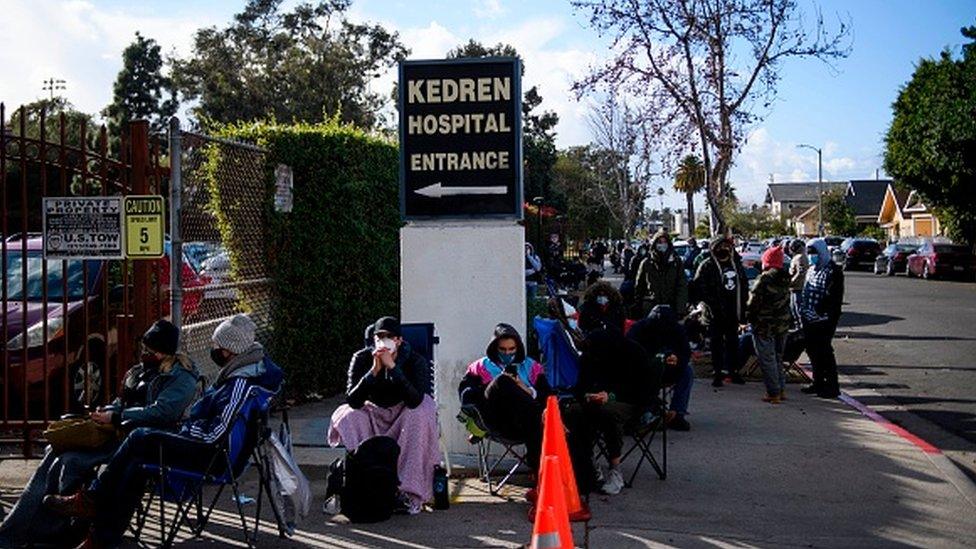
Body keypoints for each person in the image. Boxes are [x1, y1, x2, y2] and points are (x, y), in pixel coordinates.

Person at [43, 314, 283, 548]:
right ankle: (100, 538)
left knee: (140, 437)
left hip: (213, 455)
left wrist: (185, 432)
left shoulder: (240, 384)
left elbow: (217, 434)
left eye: (216, 345)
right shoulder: (236, 376)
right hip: (204, 445)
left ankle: (93, 500)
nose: (213, 349)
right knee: (137, 465)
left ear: (228, 351)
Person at [0, 320, 198, 548]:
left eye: (151, 350)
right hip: (114, 432)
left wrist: (118, 415)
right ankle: (15, 531)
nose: (145, 353)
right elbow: (121, 400)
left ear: (164, 351)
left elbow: (162, 412)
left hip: (137, 439)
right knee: (55, 454)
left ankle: (60, 530)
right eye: (145, 348)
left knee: (71, 461)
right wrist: (108, 411)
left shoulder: (182, 377)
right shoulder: (140, 371)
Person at [328, 316, 438, 515]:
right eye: (379, 337)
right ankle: (369, 478)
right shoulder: (361, 358)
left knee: (421, 413)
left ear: (398, 340)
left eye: (389, 337)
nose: (383, 340)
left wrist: (394, 369)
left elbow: (415, 399)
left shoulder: (414, 360)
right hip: (373, 413)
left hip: (404, 412)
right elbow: (352, 401)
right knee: (348, 416)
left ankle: (407, 490)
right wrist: (373, 372)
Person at [573, 328, 656, 495]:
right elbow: (580, 385)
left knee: (608, 413)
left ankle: (615, 468)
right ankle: (587, 464)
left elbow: (643, 389)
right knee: (573, 411)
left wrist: (611, 395)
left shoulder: (633, 353)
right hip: (595, 402)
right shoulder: (590, 355)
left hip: (630, 402)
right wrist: (587, 395)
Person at [458, 324, 551, 469]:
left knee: (557, 415)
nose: (507, 353)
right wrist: (492, 386)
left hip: (524, 422)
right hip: (494, 420)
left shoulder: (531, 367)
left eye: (511, 349)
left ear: (518, 348)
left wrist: (526, 389)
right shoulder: (480, 367)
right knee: (503, 381)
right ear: (494, 348)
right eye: (502, 349)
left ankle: (543, 475)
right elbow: (466, 396)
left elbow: (547, 396)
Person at [626, 305, 694, 431]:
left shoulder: (676, 330)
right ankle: (649, 411)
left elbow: (685, 352)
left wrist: (677, 358)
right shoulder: (639, 329)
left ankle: (677, 413)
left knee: (687, 371)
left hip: (669, 368)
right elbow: (629, 352)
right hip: (644, 370)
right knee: (648, 373)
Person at [694, 236, 748, 387]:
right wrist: (711, 306)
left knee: (733, 344)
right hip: (714, 314)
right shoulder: (707, 266)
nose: (724, 249)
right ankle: (717, 373)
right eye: (720, 246)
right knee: (716, 345)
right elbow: (698, 289)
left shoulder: (736, 265)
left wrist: (743, 311)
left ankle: (733, 372)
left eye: (727, 246)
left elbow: (743, 288)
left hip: (733, 312)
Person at [799, 239, 845, 398]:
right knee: (812, 351)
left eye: (815, 253)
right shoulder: (811, 270)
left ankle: (832, 386)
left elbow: (833, 297)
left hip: (824, 320)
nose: (812, 256)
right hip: (808, 318)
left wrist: (823, 312)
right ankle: (817, 382)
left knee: (824, 351)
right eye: (809, 253)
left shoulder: (833, 271)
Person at [747, 246, 793, 404]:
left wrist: (747, 317)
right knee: (778, 358)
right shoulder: (786, 278)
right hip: (783, 324)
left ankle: (773, 393)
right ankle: (781, 389)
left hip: (764, 325)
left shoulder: (764, 279)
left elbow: (753, 303)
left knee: (767, 359)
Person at [633, 229, 689, 318]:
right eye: (659, 242)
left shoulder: (676, 262)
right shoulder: (646, 263)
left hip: (672, 308)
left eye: (664, 242)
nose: (662, 245)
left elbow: (682, 286)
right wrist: (638, 308)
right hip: (650, 309)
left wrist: (680, 310)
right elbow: (639, 288)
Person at [788, 239, 808, 322]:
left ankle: (801, 327)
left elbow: (801, 272)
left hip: (798, 287)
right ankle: (798, 325)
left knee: (798, 309)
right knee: (793, 308)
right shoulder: (796, 257)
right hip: (794, 288)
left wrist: (792, 282)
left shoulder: (800, 257)